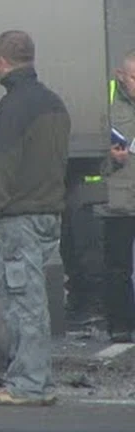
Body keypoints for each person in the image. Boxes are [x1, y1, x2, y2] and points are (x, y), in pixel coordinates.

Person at [0, 30, 70, 406]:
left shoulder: (9, 111)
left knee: (22, 303)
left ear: (1, 61)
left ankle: (28, 384)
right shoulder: (54, 104)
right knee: (33, 300)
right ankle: (36, 380)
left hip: (18, 219)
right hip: (48, 216)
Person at [100, 52, 135, 341]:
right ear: (121, 76)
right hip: (120, 199)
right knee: (118, 267)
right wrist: (110, 157)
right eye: (134, 77)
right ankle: (121, 326)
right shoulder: (108, 107)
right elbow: (92, 152)